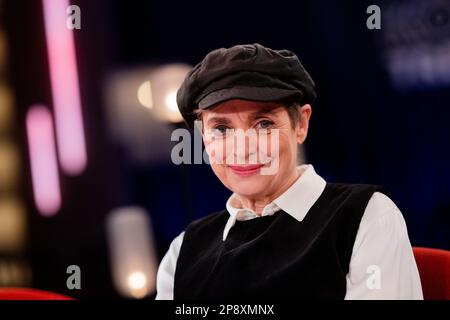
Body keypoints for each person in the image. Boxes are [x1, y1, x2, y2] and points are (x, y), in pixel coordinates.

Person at [155, 43, 423, 300]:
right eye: (221, 130)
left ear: (301, 124)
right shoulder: (183, 252)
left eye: (263, 124)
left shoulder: (366, 216)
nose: (243, 149)